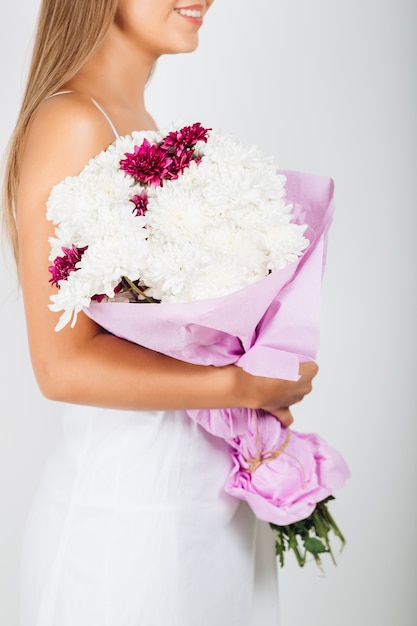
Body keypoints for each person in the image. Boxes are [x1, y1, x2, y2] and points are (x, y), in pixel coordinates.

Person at [2, 1, 319, 624]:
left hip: (203, 509)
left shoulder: (139, 124)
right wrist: (241, 385)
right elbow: (60, 366)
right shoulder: (73, 122)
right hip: (128, 524)